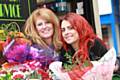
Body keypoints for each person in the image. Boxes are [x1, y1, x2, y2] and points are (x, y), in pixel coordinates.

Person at [4, 8, 62, 79]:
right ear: (35, 28)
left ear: (53, 24)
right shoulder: (29, 50)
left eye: (47, 22)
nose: (44, 27)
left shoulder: (62, 46)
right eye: (40, 24)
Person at [55, 12, 116, 80]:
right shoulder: (65, 50)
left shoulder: (93, 44)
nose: (66, 32)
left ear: (80, 27)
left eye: (70, 28)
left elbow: (106, 70)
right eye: (63, 30)